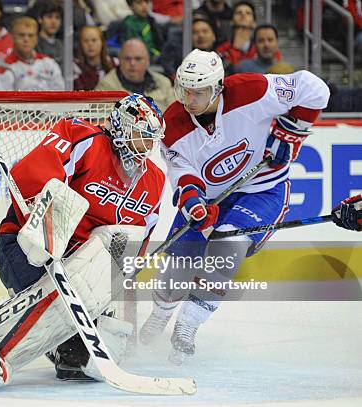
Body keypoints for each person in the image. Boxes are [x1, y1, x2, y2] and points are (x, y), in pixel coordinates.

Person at [0, 93, 167, 390]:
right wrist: (46, 225)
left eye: (153, 139)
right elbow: (32, 173)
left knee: (85, 358)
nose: (148, 146)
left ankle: (62, 349)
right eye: (142, 135)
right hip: (23, 248)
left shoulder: (154, 182)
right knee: (52, 309)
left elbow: (132, 242)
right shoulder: (83, 137)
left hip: (78, 270)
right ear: (123, 128)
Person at [138, 49, 330, 363]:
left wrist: (292, 130)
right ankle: (159, 316)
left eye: (198, 91)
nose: (189, 98)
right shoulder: (172, 123)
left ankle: (187, 325)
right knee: (177, 266)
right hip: (211, 196)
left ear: (218, 88)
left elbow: (314, 88)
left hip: (263, 189)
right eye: (183, 89)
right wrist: (194, 204)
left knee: (228, 243)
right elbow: (182, 173)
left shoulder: (251, 90)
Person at [95, 38, 174, 113]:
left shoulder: (163, 83)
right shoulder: (105, 87)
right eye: (127, 58)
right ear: (119, 60)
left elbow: (174, 116)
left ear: (147, 61)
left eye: (138, 59)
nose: (132, 63)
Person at [0, 16, 64, 91]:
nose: (26, 39)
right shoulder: (2, 68)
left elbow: (61, 94)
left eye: (31, 35)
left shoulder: (50, 64)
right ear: (12, 37)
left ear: (36, 38)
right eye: (21, 35)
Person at [215, 1, 257, 72]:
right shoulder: (221, 50)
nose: (243, 14)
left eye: (248, 13)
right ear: (232, 21)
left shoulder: (262, 48)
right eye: (239, 12)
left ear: (254, 23)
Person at [73, 25, 115, 90]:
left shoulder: (114, 64)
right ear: (80, 44)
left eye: (94, 40)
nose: (90, 44)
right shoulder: (75, 68)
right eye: (86, 41)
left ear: (102, 42)